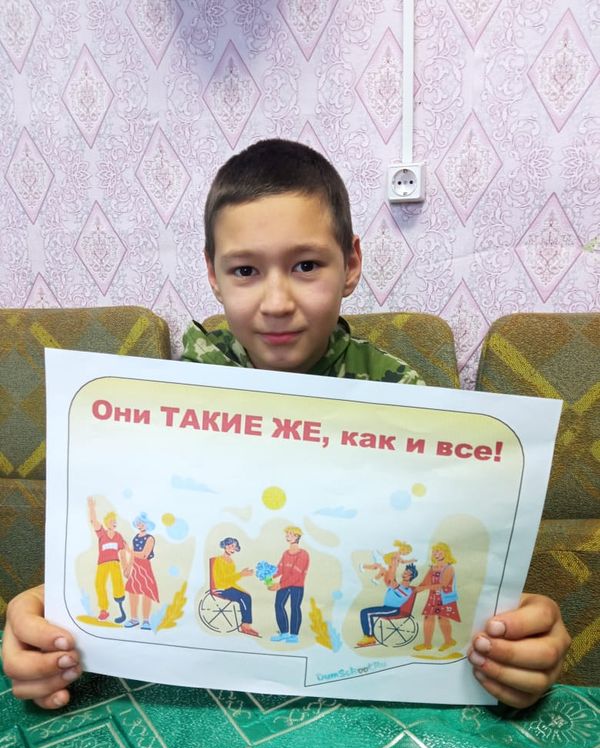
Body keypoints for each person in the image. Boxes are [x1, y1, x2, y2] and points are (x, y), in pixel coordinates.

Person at [2, 138, 571, 710]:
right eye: (245, 270)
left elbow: (456, 561)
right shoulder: (166, 405)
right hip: (199, 700)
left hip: (352, 701)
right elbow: (138, 537)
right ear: (213, 274)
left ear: (351, 264)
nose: (276, 302)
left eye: (305, 266)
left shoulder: (406, 403)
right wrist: (51, 616)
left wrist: (515, 639)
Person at [356, 562, 418, 648]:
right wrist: (384, 569)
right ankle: (369, 637)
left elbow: (392, 582)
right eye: (405, 571)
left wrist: (393, 566)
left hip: (393, 610)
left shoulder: (407, 590)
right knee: (365, 612)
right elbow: (390, 580)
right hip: (386, 608)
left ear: (411, 576)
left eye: (408, 573)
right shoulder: (395, 585)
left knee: (366, 613)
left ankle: (369, 637)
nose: (405, 573)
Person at [88, 497, 128, 624]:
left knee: (118, 584)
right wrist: (91, 508)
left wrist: (125, 568)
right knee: (99, 584)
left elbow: (122, 554)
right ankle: (103, 610)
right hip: (102, 564)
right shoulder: (102, 534)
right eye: (112, 521)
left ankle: (121, 608)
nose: (114, 523)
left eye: (115, 521)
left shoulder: (119, 536)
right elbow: (94, 521)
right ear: (106, 523)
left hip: (115, 563)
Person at [414, 542, 460, 652]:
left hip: (444, 598)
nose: (436, 554)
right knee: (428, 618)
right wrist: (414, 590)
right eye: (434, 552)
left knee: (442, 618)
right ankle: (427, 644)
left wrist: (424, 588)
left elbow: (442, 585)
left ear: (446, 552)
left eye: (439, 551)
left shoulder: (449, 568)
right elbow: (425, 582)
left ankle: (449, 641)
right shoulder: (433, 568)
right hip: (433, 598)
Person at [269, 526, 310, 644]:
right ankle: (284, 633)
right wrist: (269, 575)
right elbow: (280, 568)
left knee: (294, 608)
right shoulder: (286, 553)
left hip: (297, 586)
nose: (287, 535)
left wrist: (279, 585)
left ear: (297, 536)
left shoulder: (303, 554)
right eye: (287, 533)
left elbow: (296, 575)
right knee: (278, 605)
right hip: (283, 584)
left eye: (290, 534)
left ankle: (294, 635)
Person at [212, 537, 260, 637]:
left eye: (234, 547)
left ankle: (246, 625)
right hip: (220, 588)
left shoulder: (231, 562)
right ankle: (245, 626)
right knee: (244, 598)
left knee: (246, 596)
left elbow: (231, 581)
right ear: (225, 546)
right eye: (230, 546)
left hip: (228, 587)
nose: (232, 549)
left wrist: (243, 590)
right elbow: (221, 580)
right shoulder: (219, 560)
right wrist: (241, 574)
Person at [123, 513, 160, 632]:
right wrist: (128, 567)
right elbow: (133, 555)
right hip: (135, 566)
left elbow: (144, 555)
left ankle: (146, 620)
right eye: (138, 523)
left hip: (144, 567)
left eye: (142, 523)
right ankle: (134, 618)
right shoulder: (136, 537)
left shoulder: (150, 538)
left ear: (147, 524)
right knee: (132, 592)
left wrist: (129, 551)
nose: (140, 525)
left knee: (146, 592)